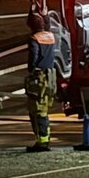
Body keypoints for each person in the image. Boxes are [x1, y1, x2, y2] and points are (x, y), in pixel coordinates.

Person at [24, 12, 58, 152]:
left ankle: (42, 141)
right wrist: (45, 15)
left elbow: (33, 58)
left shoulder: (34, 39)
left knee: (38, 110)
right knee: (44, 109)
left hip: (39, 78)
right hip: (51, 76)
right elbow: (48, 25)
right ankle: (44, 139)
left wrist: (31, 69)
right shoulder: (50, 36)